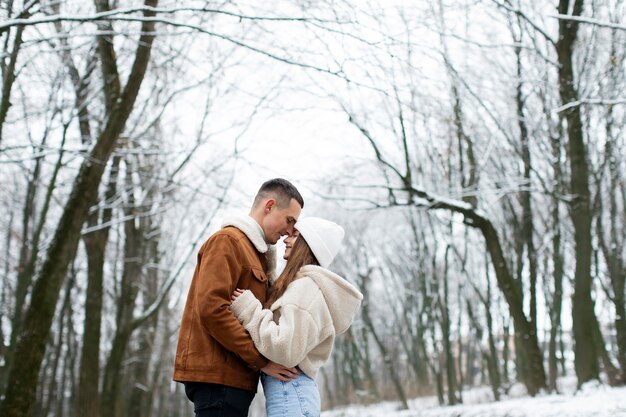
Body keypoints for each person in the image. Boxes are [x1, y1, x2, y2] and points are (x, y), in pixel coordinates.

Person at [174, 178, 304, 417]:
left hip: (234, 377)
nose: (289, 231)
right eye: (289, 220)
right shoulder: (228, 241)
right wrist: (261, 361)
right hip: (218, 376)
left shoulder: (257, 254)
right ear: (270, 205)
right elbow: (212, 309)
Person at [230, 217, 363, 417]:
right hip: (293, 391)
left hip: (291, 391)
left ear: (309, 245)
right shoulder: (302, 285)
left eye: (294, 235)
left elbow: (285, 349)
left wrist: (248, 310)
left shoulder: (305, 287)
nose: (286, 239)